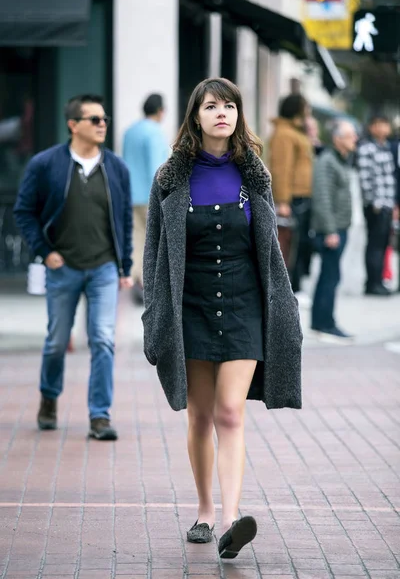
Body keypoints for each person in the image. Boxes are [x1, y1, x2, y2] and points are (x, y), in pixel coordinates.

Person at [142, 78, 302, 559]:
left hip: (242, 304)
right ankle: (205, 510)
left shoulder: (255, 176)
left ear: (238, 116)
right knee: (200, 415)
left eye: (229, 105)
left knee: (231, 413)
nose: (222, 113)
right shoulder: (170, 178)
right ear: (195, 117)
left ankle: (232, 520)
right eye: (211, 106)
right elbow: (153, 254)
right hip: (188, 305)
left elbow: (269, 252)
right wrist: (155, 312)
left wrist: (285, 306)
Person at [14, 94, 133, 440]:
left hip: (104, 269)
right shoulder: (45, 164)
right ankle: (49, 398)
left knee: (103, 340)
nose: (102, 125)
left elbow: (123, 218)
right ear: (73, 125)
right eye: (94, 119)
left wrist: (125, 265)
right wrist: (44, 251)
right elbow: (24, 211)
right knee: (56, 342)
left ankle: (99, 416)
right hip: (62, 267)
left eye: (104, 119)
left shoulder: (116, 168)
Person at [311, 120, 358, 341]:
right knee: (329, 276)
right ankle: (323, 323)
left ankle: (325, 321)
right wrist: (330, 230)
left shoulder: (340, 160)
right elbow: (322, 198)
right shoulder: (327, 161)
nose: (355, 139)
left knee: (332, 275)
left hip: (340, 227)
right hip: (332, 230)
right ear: (338, 139)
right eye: (350, 135)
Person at [123, 94, 169, 304]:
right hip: (150, 195)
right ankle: (145, 283)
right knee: (153, 240)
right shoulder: (155, 133)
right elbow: (156, 166)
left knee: (136, 237)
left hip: (130, 193)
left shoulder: (129, 132)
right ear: (160, 111)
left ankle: (132, 280)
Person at [268, 94, 313, 304]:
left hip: (302, 196)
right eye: (305, 108)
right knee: (289, 245)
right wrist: (283, 201)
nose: (308, 112)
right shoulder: (284, 134)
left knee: (300, 243)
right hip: (291, 198)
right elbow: (281, 169)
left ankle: (296, 286)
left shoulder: (296, 131)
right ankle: (289, 289)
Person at [357, 115, 397, 296]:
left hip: (387, 203)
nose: (383, 129)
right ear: (372, 127)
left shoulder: (386, 147)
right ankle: (372, 283)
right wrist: (374, 203)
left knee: (382, 245)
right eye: (379, 125)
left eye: (385, 125)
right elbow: (365, 178)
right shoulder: (366, 148)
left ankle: (379, 280)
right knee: (374, 244)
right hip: (376, 205)